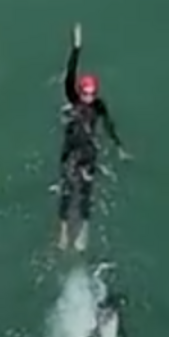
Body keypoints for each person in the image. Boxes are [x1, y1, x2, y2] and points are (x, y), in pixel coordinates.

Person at [56, 22, 129, 251]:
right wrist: (76, 49)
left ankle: (83, 233)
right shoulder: (73, 99)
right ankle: (63, 232)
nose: (89, 96)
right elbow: (69, 75)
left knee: (85, 193)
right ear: (80, 91)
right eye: (86, 92)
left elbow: (108, 126)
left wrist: (119, 147)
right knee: (67, 192)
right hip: (70, 151)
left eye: (92, 93)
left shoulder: (98, 106)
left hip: (88, 153)